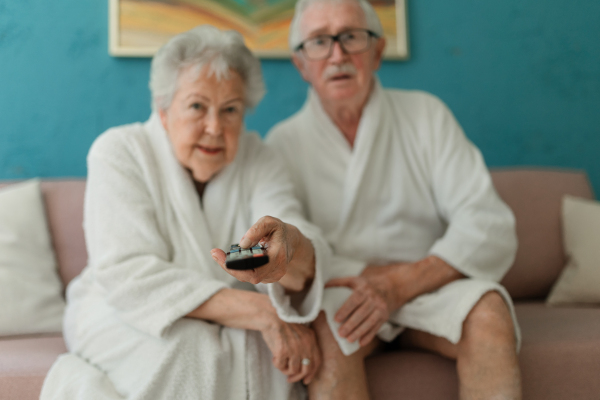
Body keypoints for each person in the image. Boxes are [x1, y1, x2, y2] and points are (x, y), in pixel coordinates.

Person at [41, 25, 330, 400]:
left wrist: (291, 247)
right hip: (121, 306)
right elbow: (128, 273)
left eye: (230, 110)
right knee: (189, 351)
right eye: (197, 106)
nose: (214, 127)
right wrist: (261, 312)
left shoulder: (260, 157)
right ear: (163, 109)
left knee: (255, 355)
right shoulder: (118, 151)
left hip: (232, 314)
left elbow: (294, 231)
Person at [266, 0, 522, 399]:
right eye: (319, 41)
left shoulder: (426, 115)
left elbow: (488, 222)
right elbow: (293, 243)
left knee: (488, 312)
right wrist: (364, 282)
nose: (338, 55)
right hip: (344, 291)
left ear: (377, 51)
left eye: (351, 36)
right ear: (301, 64)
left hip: (429, 282)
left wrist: (402, 282)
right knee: (330, 330)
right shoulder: (282, 144)